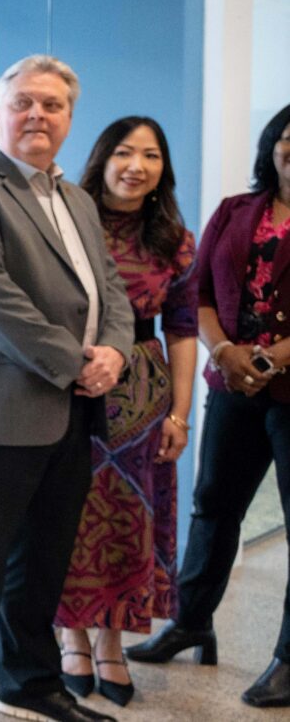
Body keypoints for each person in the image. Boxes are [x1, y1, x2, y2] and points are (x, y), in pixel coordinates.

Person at [0, 54, 134, 722]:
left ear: (70, 119)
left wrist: (117, 354)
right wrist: (78, 360)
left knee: (43, 561)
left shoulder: (76, 198)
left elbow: (111, 289)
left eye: (51, 104)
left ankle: (29, 684)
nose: (36, 115)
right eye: (23, 103)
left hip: (72, 410)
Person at [129, 101, 290, 709]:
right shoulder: (234, 211)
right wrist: (222, 352)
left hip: (287, 387)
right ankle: (192, 621)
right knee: (213, 506)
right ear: (272, 146)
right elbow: (196, 291)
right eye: (287, 138)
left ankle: (288, 658)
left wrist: (269, 359)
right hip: (231, 385)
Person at [53, 117, 197, 707]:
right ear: (101, 158)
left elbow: (183, 330)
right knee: (71, 516)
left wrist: (181, 414)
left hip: (143, 399)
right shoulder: (69, 220)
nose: (137, 165)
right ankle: (70, 636)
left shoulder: (173, 239)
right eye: (124, 152)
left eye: (151, 155)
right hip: (73, 384)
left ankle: (111, 641)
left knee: (128, 526)